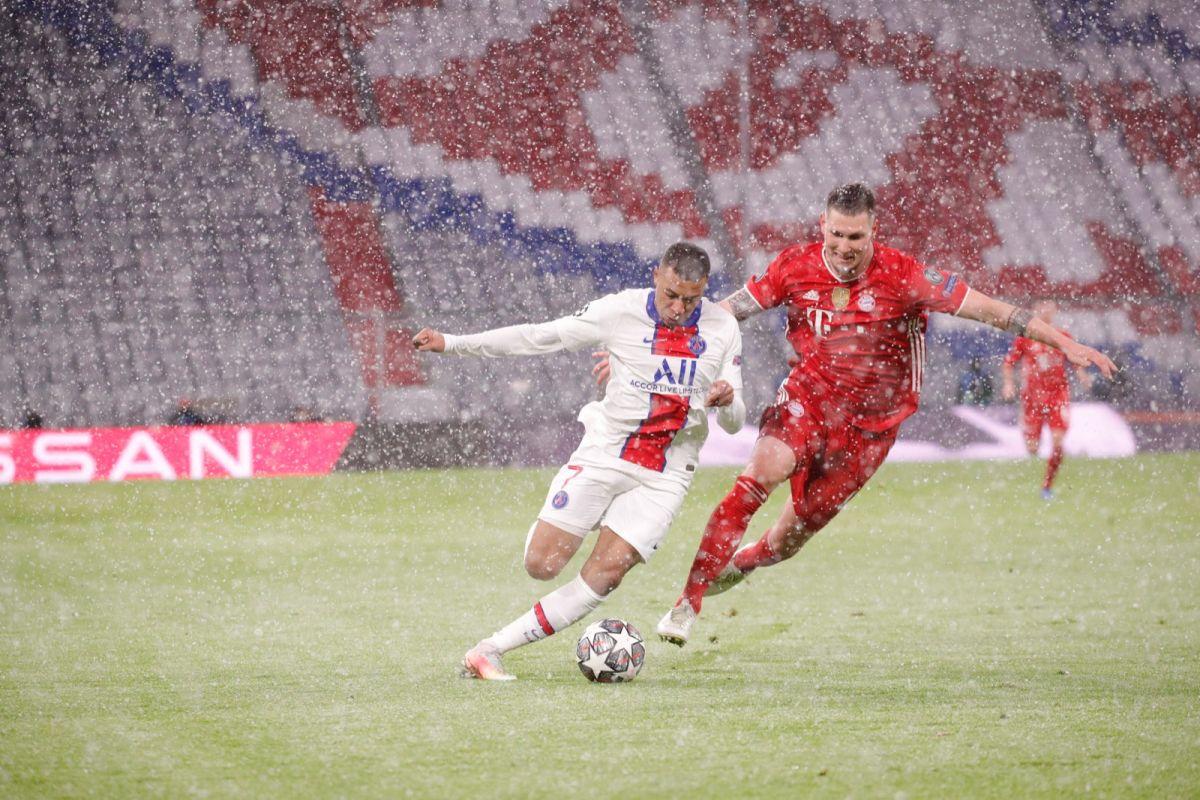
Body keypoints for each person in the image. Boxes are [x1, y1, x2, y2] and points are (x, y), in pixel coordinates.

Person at [643, 182, 1117, 646]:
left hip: (871, 429)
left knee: (787, 542)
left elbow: (991, 311)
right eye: (837, 235)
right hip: (808, 398)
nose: (845, 247)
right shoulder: (795, 266)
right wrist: (651, 340)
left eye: (856, 237)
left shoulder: (904, 275)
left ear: (874, 232)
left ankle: (743, 562)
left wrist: (1064, 342)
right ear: (822, 226)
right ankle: (687, 603)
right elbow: (728, 312)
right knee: (758, 476)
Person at [412, 242, 745, 680]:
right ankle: (588, 510)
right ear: (655, 275)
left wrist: (728, 398)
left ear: (704, 292)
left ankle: (489, 650)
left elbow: (738, 422)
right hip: (607, 452)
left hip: (665, 475)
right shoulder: (619, 312)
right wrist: (453, 344)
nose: (679, 307)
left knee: (605, 575)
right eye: (671, 294)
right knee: (542, 565)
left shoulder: (723, 329)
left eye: (691, 298)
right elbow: (539, 336)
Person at [1001, 300, 1093, 500]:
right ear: (1034, 311)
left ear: (1054, 311)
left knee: (1058, 443)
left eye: (1049, 308)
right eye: (1041, 309)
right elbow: (1009, 363)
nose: (1045, 312)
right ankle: (1028, 429)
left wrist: (1082, 374)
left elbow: (1075, 360)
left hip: (1057, 396)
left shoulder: (1063, 337)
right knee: (1032, 449)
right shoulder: (1025, 338)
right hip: (1032, 398)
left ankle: (1047, 486)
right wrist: (1008, 384)